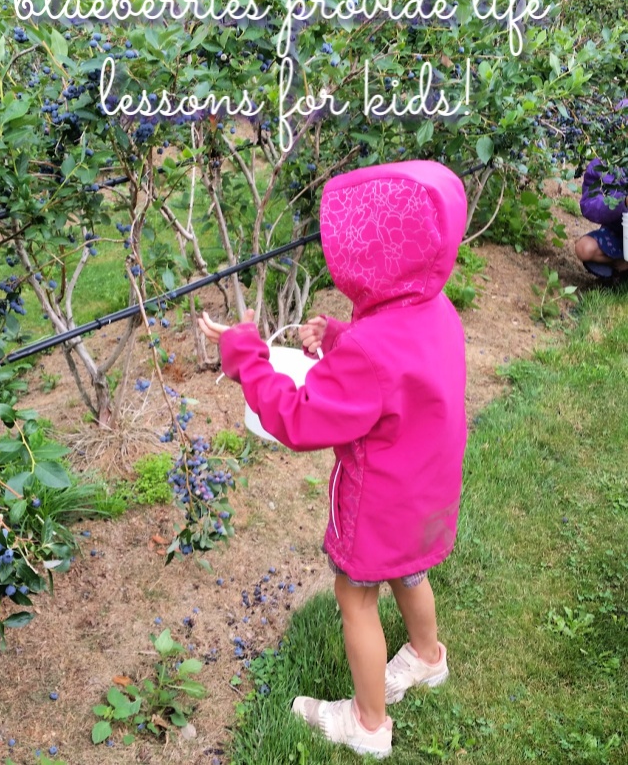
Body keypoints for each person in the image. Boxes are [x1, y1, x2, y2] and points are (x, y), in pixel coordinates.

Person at [199, 161, 468, 759]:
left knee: (357, 600)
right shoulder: (438, 310)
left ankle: (368, 725)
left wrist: (245, 354)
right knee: (412, 571)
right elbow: (400, 368)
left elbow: (298, 419)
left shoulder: (372, 350)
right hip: (428, 489)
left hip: (377, 503)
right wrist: (343, 336)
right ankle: (428, 658)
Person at [574, 157, 628, 280]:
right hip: (619, 232)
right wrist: (621, 202)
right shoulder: (601, 164)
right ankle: (622, 265)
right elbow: (589, 205)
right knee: (584, 248)